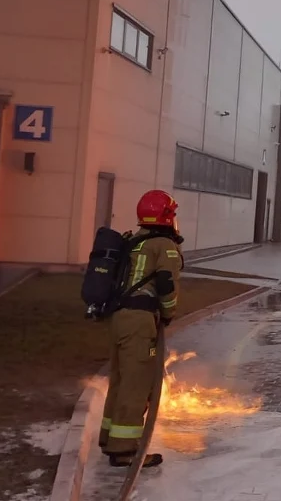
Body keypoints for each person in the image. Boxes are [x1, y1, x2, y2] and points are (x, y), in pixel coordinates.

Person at [98, 190, 184, 468]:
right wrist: (168, 314)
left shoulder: (134, 241)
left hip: (119, 317)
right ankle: (124, 450)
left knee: (121, 379)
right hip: (139, 319)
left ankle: (109, 437)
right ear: (167, 216)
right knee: (137, 384)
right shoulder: (164, 245)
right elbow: (166, 285)